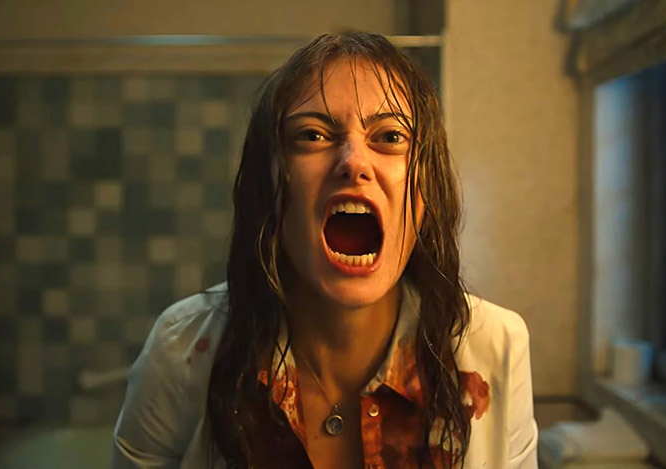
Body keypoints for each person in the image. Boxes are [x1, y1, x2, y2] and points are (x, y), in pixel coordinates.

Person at [112, 31, 537, 469]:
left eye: (390, 136)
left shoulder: (495, 350)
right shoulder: (184, 350)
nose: (353, 161)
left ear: (426, 191)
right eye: (312, 135)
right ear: (270, 188)